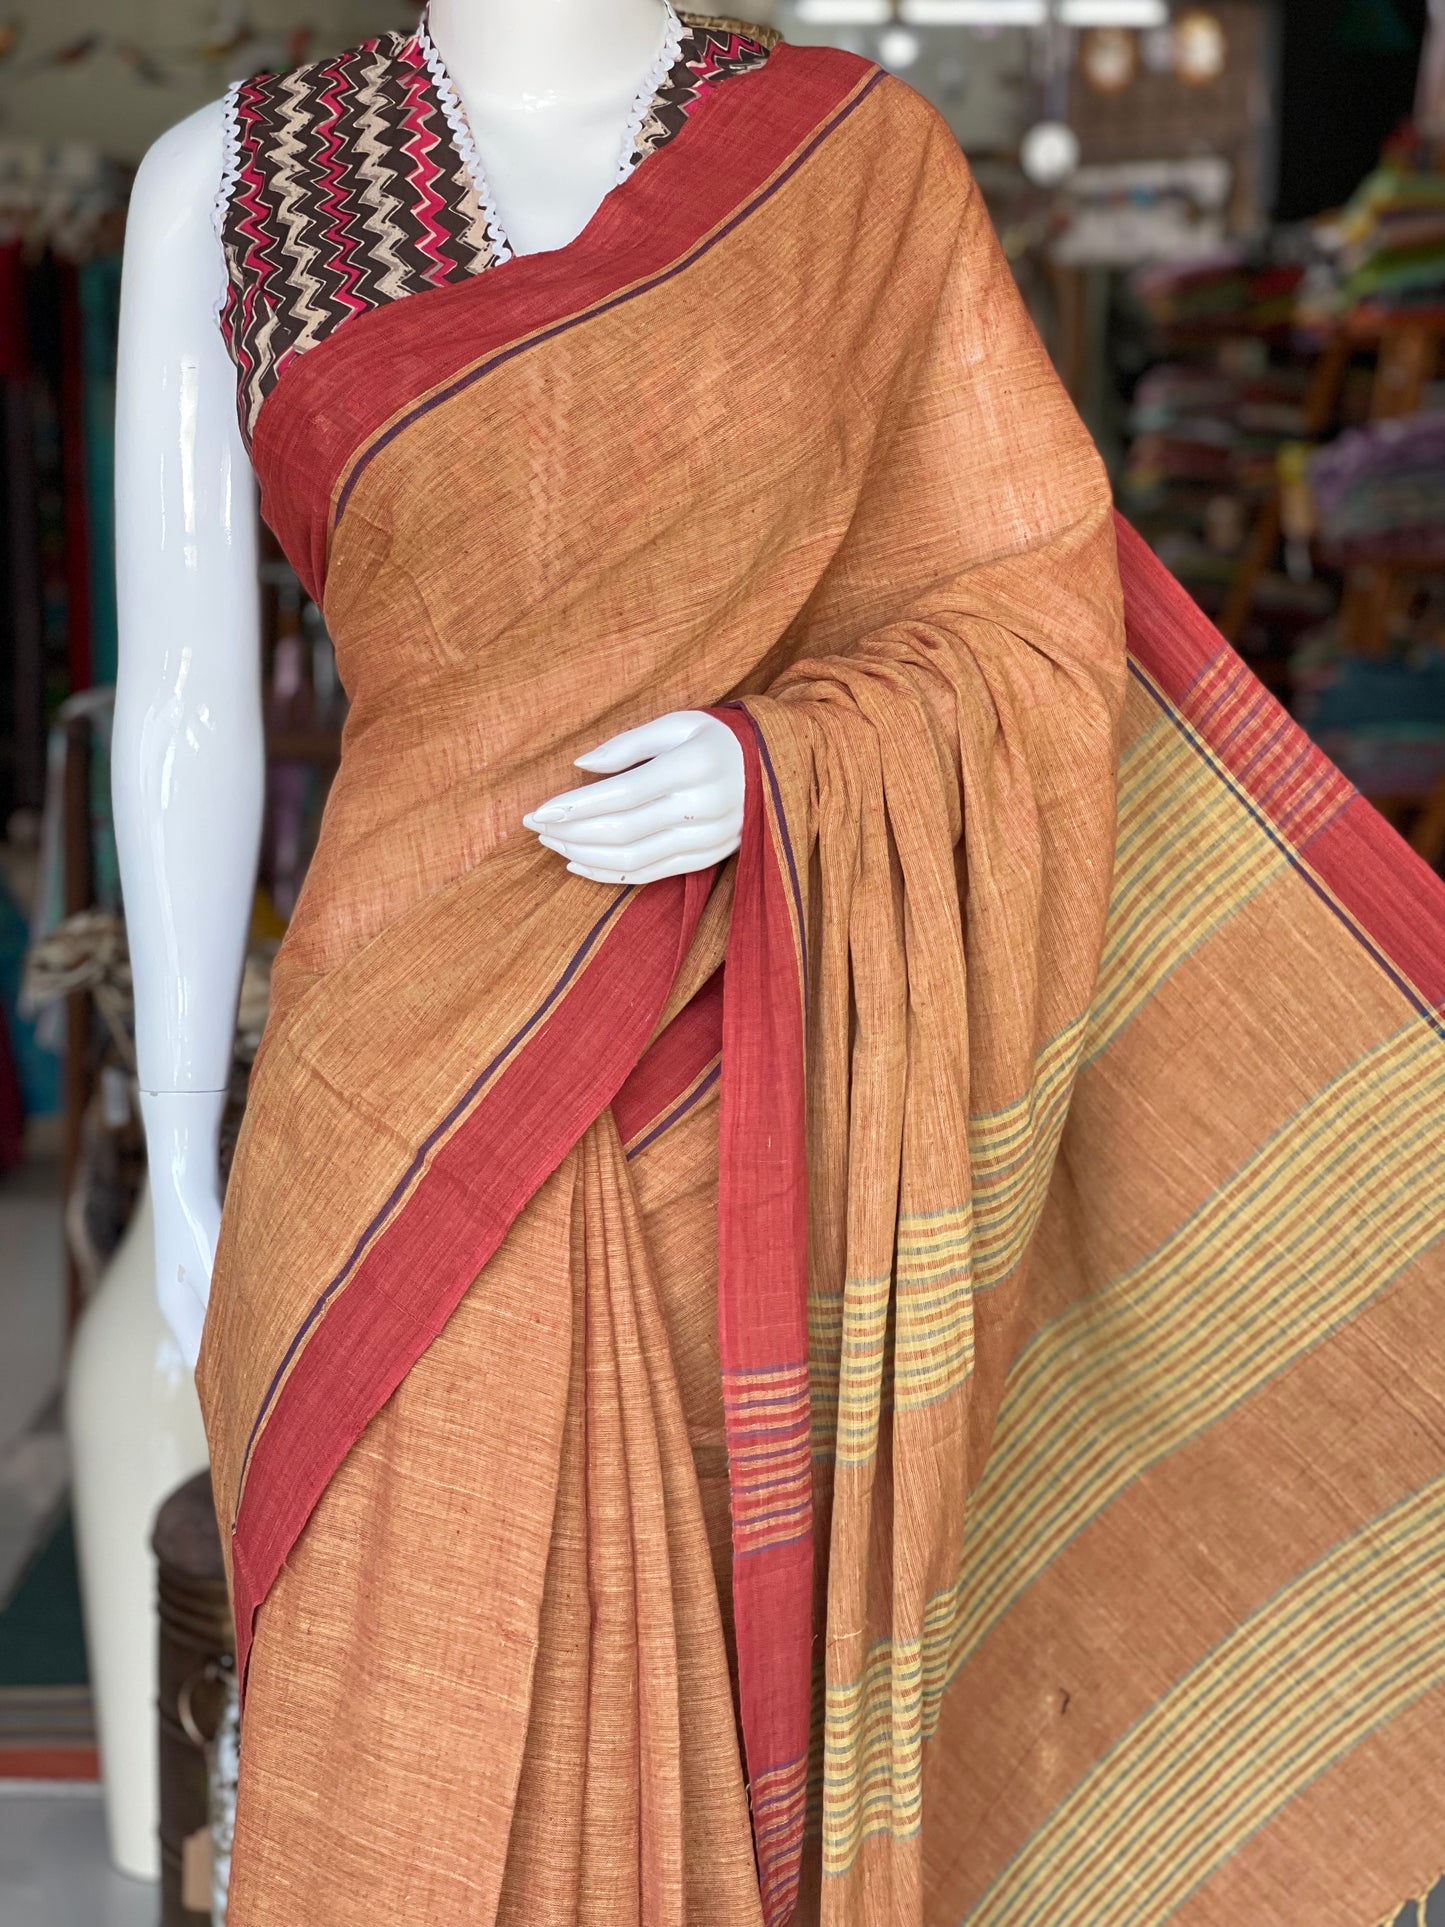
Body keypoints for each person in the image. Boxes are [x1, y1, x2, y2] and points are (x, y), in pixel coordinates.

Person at [113, 5, 1445, 1923]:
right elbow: (182, 711)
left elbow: (1026, 614)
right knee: (384, 1712)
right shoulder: (224, 181)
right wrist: (179, 1138)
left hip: (730, 1094)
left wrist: (780, 768)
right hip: (382, 1102)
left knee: (742, 1706)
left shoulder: (846, 161)